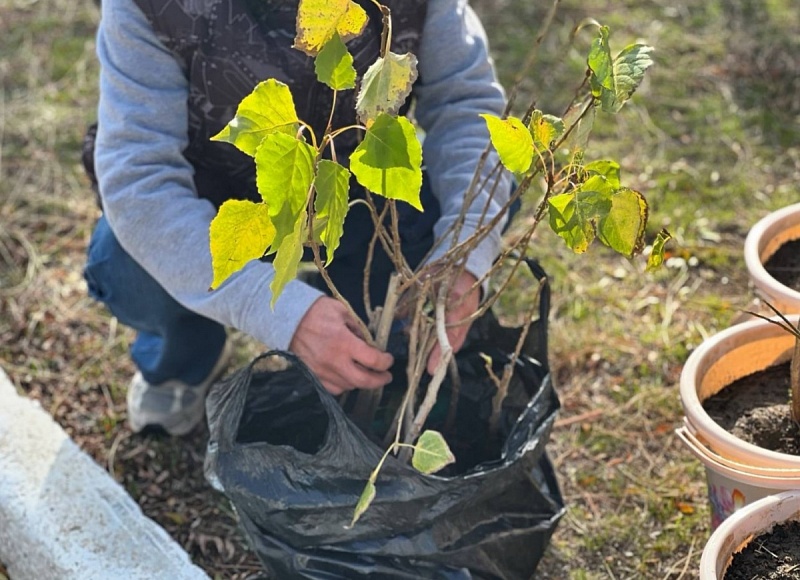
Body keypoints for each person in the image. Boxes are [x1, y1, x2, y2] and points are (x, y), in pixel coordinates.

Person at [83, 0, 512, 436]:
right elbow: (140, 179)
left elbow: (467, 108)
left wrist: (464, 259)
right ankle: (183, 358)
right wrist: (280, 314)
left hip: (356, 195)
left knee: (443, 222)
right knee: (128, 264)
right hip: (212, 201)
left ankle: (370, 359)